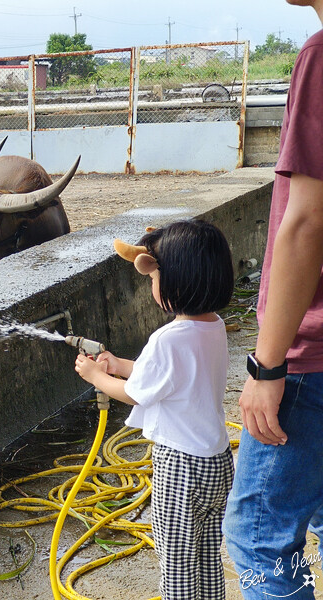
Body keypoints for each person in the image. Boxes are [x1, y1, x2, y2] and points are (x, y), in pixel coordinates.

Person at [75, 219, 235, 600]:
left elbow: (136, 393)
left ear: (173, 279)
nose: (151, 285)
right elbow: (168, 378)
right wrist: (119, 364)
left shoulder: (166, 338)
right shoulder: (214, 326)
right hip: (217, 462)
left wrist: (96, 376)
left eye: (152, 277)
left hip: (180, 467)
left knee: (176, 564)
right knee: (206, 556)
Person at [223, 2, 323, 598]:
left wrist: (268, 364)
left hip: (312, 358)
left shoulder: (320, 55)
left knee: (260, 537)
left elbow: (307, 224)